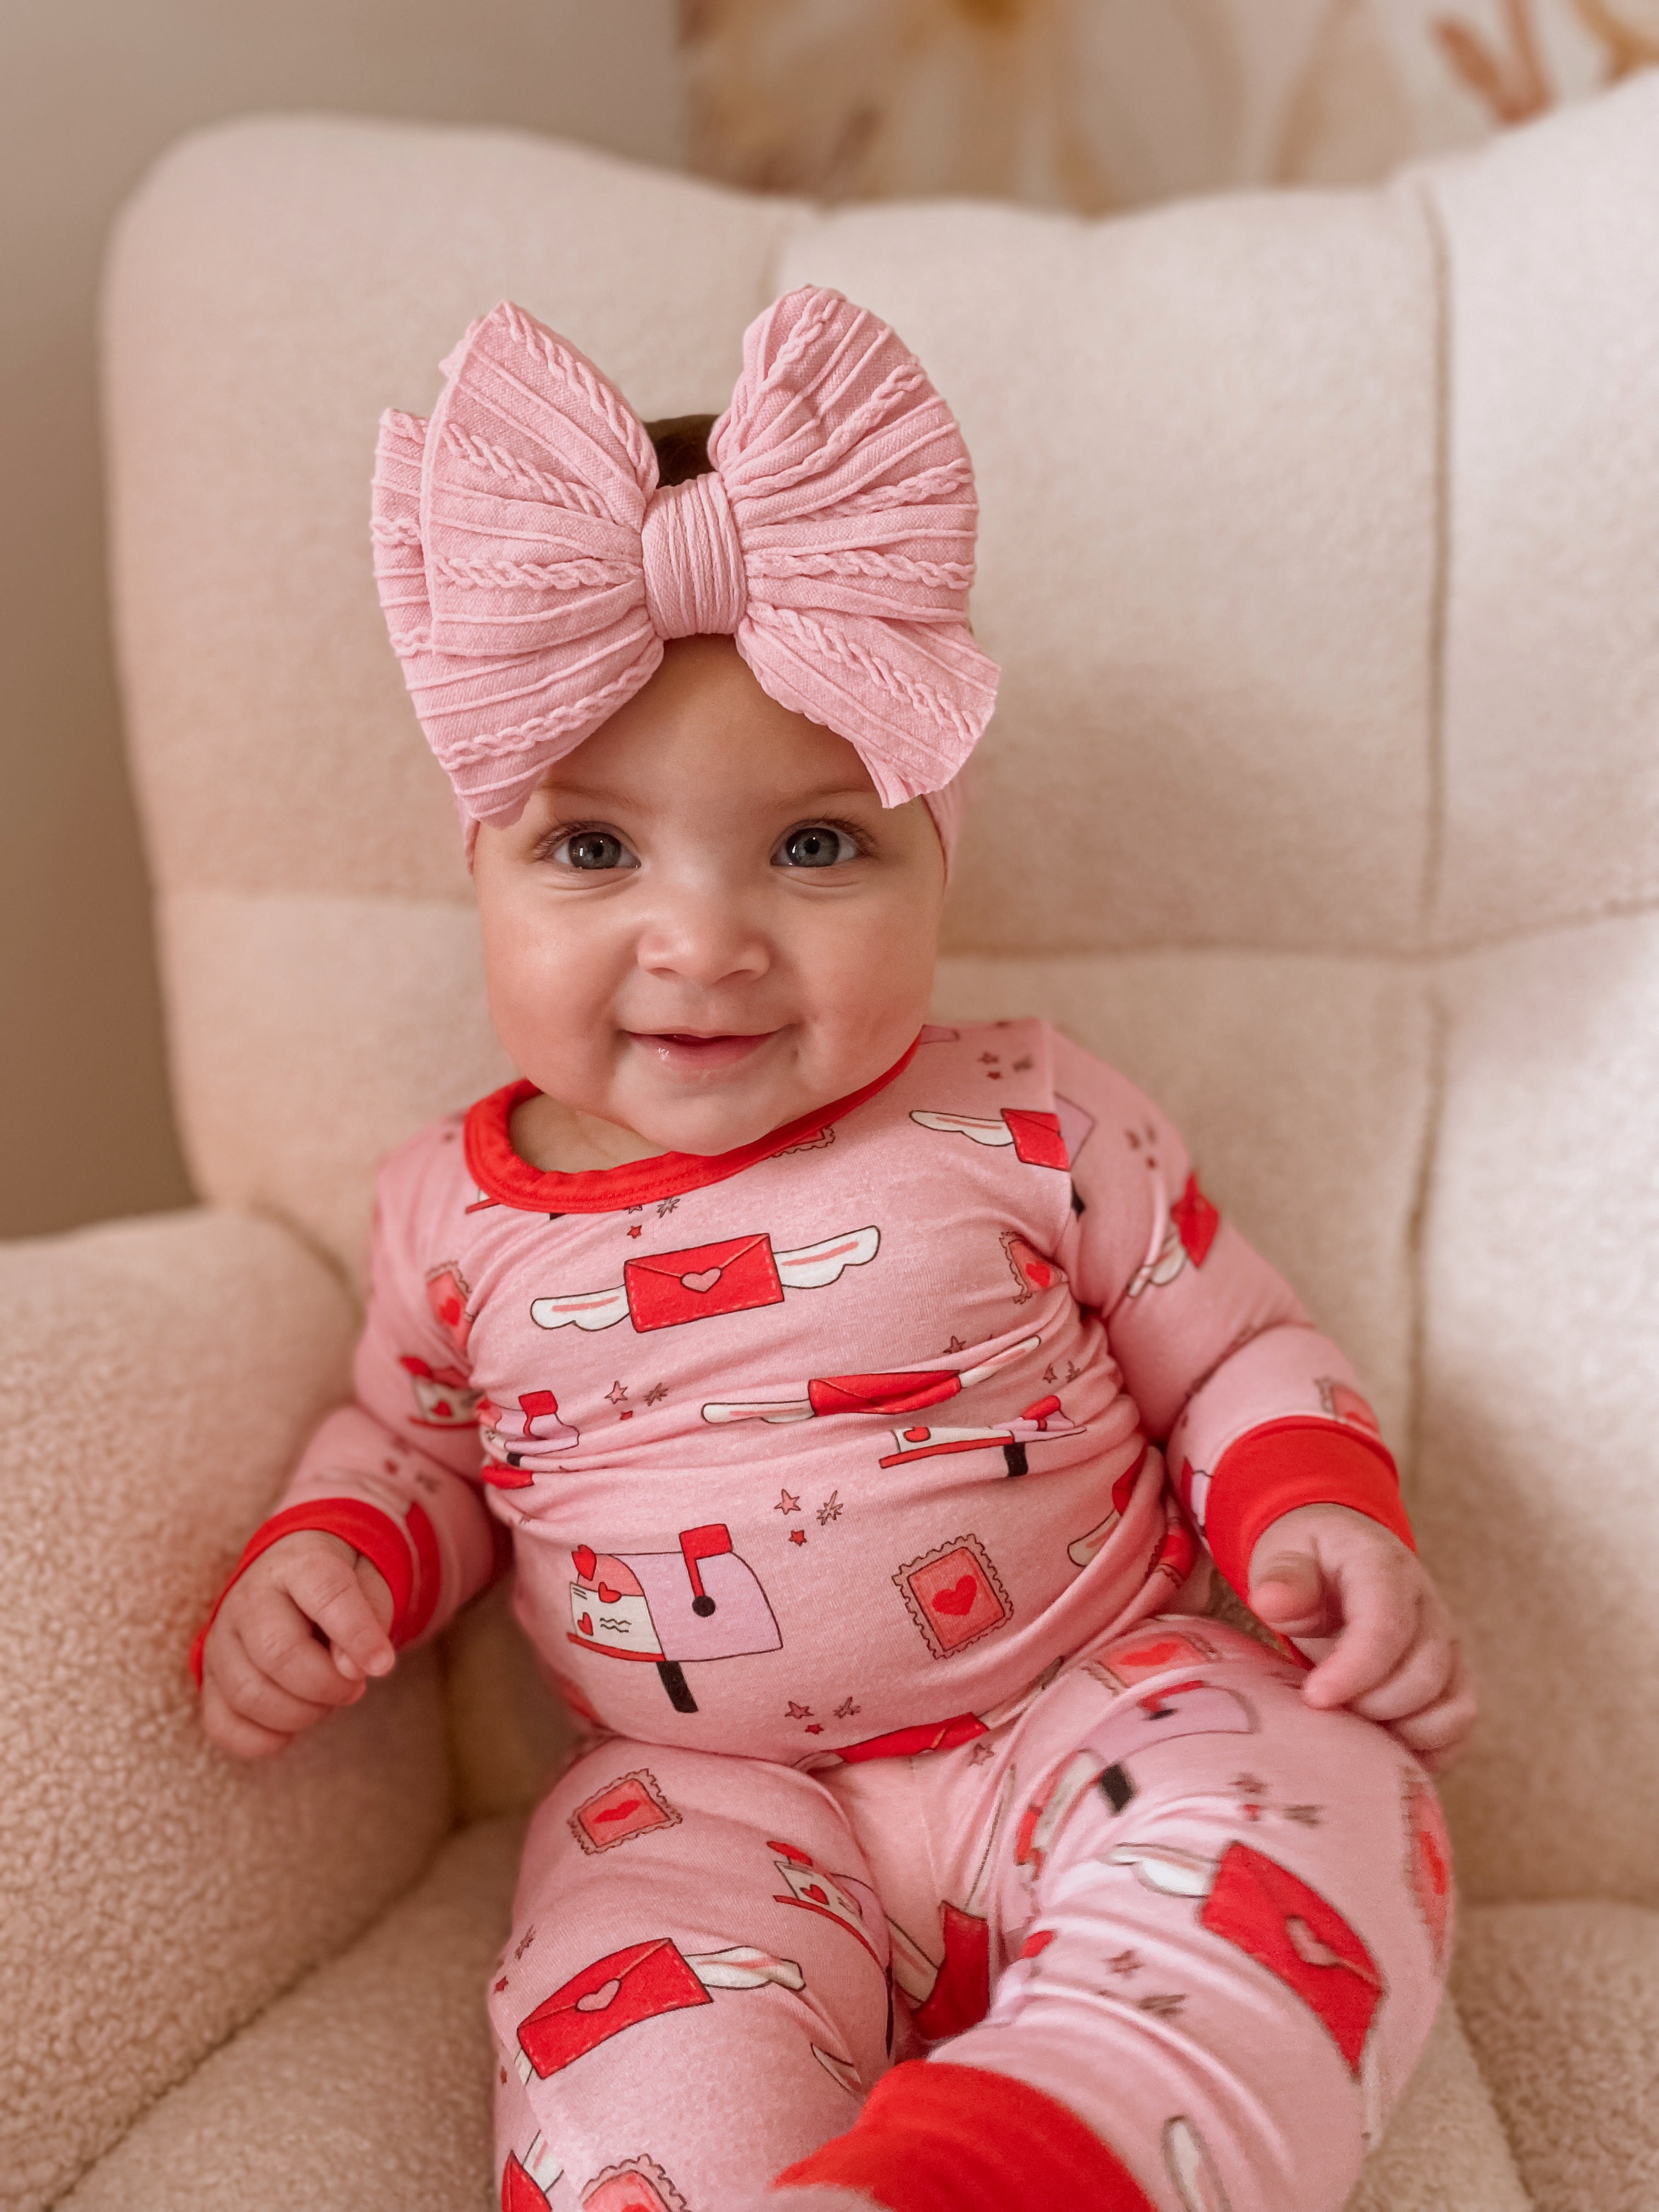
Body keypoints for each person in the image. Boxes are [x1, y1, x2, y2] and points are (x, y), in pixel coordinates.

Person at [191, 288, 1475, 2212]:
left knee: (1316, 1799)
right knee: (617, 2025)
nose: (703, 942)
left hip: (1097, 1706)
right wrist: (336, 1554)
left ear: (938, 858)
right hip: (696, 1804)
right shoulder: (442, 1216)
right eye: (593, 851)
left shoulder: (1028, 1111)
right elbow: (421, 1444)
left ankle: (1061, 2149)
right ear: (474, 867)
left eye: (814, 849)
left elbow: (1229, 1352)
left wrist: (1309, 1505)